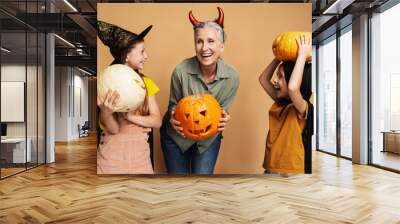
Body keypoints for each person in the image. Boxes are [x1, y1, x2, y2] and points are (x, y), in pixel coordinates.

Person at [160, 7, 239, 175]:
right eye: (199, 41)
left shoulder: (232, 77)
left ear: (221, 46)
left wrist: (224, 117)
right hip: (176, 138)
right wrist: (173, 114)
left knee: (202, 184)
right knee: (178, 183)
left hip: (208, 139)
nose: (204, 48)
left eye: (211, 41)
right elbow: (173, 105)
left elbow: (222, 110)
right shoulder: (180, 71)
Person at [96, 21, 161, 174]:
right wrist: (105, 112)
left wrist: (130, 117)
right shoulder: (106, 83)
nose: (146, 56)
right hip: (111, 159)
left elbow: (157, 121)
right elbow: (114, 129)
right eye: (142, 51)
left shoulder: (146, 83)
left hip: (140, 159)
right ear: (127, 56)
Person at [259, 35, 312, 175]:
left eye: (281, 77)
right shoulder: (279, 102)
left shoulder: (300, 107)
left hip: (291, 172)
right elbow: (263, 79)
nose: (275, 80)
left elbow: (293, 88)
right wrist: (280, 56)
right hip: (271, 168)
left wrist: (302, 55)